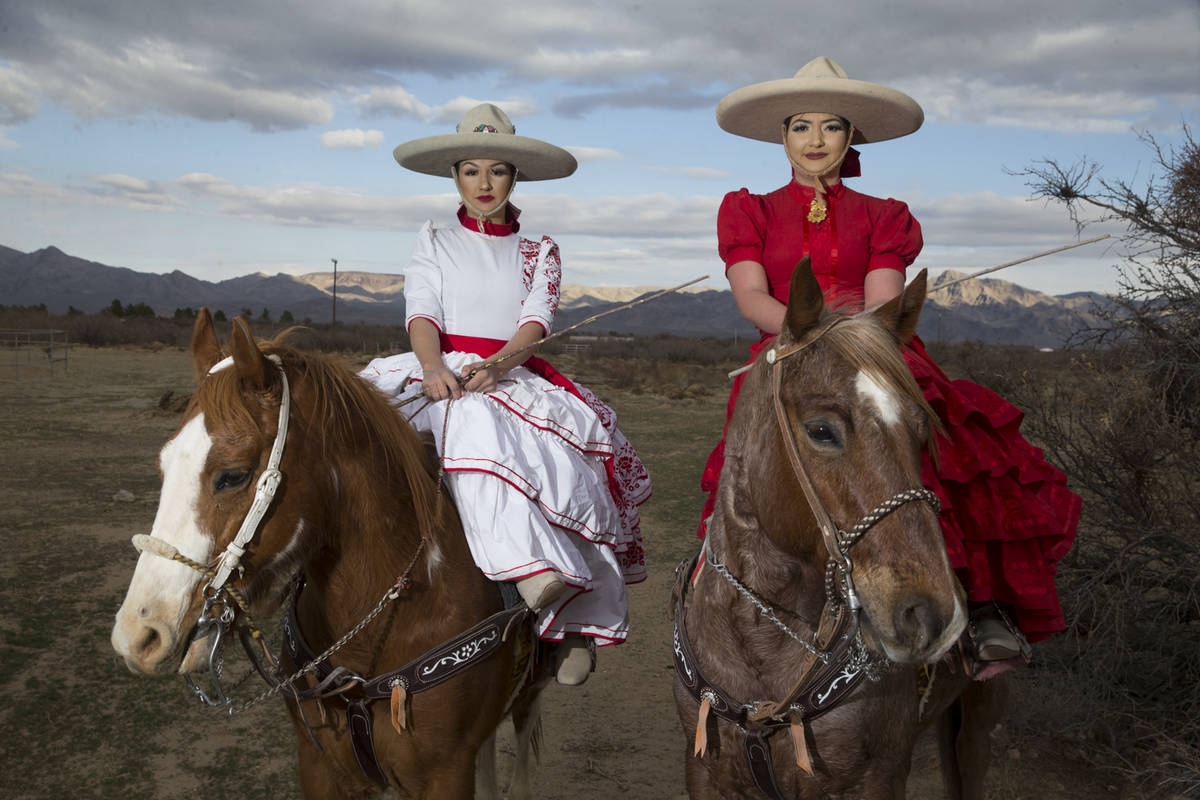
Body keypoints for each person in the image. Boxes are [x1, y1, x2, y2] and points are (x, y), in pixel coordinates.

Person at [698, 57, 1080, 671]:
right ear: (783, 136)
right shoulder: (750, 211)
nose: (815, 140)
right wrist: (808, 333)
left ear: (850, 138)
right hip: (789, 346)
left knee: (944, 448)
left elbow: (882, 300)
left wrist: (850, 337)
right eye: (801, 126)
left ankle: (975, 607)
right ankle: (734, 596)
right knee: (755, 468)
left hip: (872, 346)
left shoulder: (884, 216)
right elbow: (751, 297)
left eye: (831, 127)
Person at [360, 103, 651, 685]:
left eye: (497, 171)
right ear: (455, 176)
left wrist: (498, 366)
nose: (484, 183)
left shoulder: (539, 246)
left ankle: (566, 614)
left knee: (569, 468)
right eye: (471, 170)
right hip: (436, 366)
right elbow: (422, 310)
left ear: (514, 177)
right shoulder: (434, 237)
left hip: (509, 370)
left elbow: (536, 320)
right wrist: (432, 366)